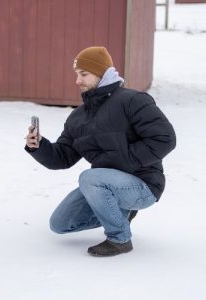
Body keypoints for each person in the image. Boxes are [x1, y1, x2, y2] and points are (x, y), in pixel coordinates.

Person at [25, 46, 176, 257]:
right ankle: (120, 213)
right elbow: (63, 157)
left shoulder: (133, 100)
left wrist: (121, 162)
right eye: (77, 74)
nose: (77, 80)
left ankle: (119, 238)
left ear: (102, 73)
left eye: (84, 74)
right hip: (104, 184)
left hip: (143, 184)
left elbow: (164, 139)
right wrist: (38, 146)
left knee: (90, 177)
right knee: (59, 223)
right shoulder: (78, 117)